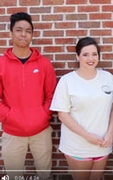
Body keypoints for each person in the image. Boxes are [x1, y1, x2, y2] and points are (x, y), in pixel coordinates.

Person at [50, 36, 113, 180]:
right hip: (78, 145)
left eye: (94, 54)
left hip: (103, 143)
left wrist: (109, 133)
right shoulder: (67, 81)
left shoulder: (107, 77)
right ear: (77, 56)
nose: (91, 58)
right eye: (85, 54)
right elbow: (63, 115)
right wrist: (88, 137)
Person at [0, 12, 57, 180]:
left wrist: (42, 115)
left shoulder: (44, 64)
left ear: (32, 34)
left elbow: (52, 95)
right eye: (19, 30)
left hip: (41, 132)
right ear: (10, 33)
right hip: (12, 133)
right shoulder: (1, 64)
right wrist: (10, 117)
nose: (23, 34)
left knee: (44, 175)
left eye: (28, 31)